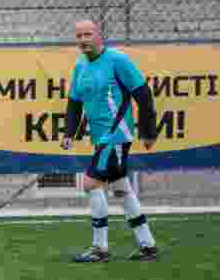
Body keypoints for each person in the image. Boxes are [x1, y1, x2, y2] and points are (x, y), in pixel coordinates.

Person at [61, 20, 159, 262]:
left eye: (88, 34)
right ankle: (148, 246)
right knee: (121, 188)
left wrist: (148, 132)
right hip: (100, 137)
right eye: (79, 35)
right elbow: (74, 102)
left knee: (91, 183)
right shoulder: (80, 65)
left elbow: (143, 95)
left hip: (116, 135)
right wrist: (69, 133)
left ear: (99, 35)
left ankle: (99, 249)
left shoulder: (118, 60)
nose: (83, 39)